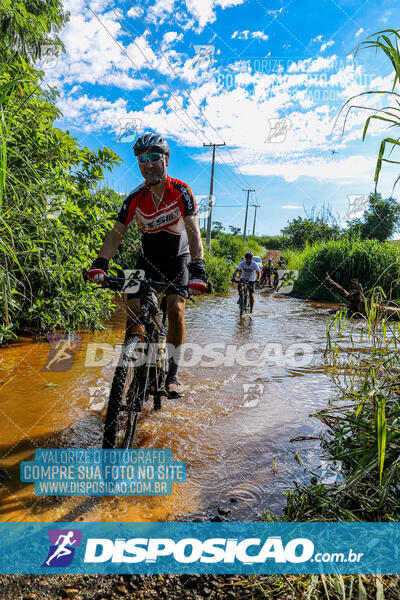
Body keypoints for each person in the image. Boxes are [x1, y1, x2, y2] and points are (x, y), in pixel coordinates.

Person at [86, 132, 208, 398]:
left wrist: (198, 268)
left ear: (166, 159)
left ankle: (172, 374)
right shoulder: (134, 198)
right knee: (131, 306)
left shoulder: (181, 191)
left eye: (154, 157)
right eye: (142, 159)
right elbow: (116, 234)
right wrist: (100, 263)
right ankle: (137, 361)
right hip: (146, 260)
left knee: (176, 306)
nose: (148, 163)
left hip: (178, 259)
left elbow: (194, 232)